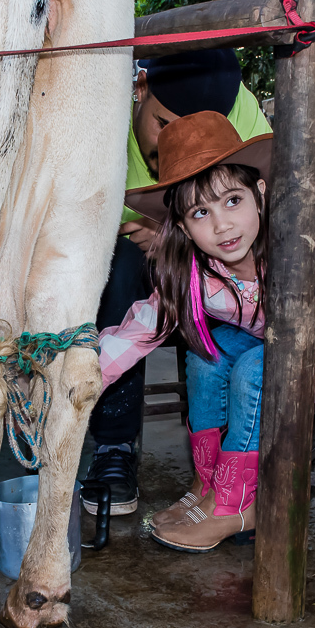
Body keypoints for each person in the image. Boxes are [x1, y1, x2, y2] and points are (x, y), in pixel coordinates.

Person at [97, 111, 315, 552]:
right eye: (201, 212)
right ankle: (211, 482)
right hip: (265, 336)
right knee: (204, 355)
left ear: (260, 193)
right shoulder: (189, 265)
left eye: (232, 201)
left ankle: (237, 502)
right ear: (181, 226)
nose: (222, 225)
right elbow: (142, 328)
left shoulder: (311, 231)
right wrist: (83, 374)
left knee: (256, 367)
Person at [83, 48, 272, 517]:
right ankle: (113, 446)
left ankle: (238, 460)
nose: (173, 144)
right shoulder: (97, 115)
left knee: (215, 341)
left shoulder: (244, 115)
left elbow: (272, 209)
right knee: (120, 265)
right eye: (164, 126)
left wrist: (179, 237)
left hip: (214, 258)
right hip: (135, 253)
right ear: (141, 89)